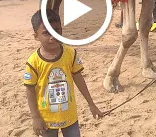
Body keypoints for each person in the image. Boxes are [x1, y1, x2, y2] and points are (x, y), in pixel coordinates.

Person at [24, 9, 103, 137]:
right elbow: (30, 90)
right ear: (36, 36)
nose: (53, 37)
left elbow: (79, 78)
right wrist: (35, 117)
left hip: (69, 116)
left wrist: (91, 104)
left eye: (56, 30)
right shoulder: (33, 62)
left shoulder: (70, 54)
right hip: (46, 119)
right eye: (46, 33)